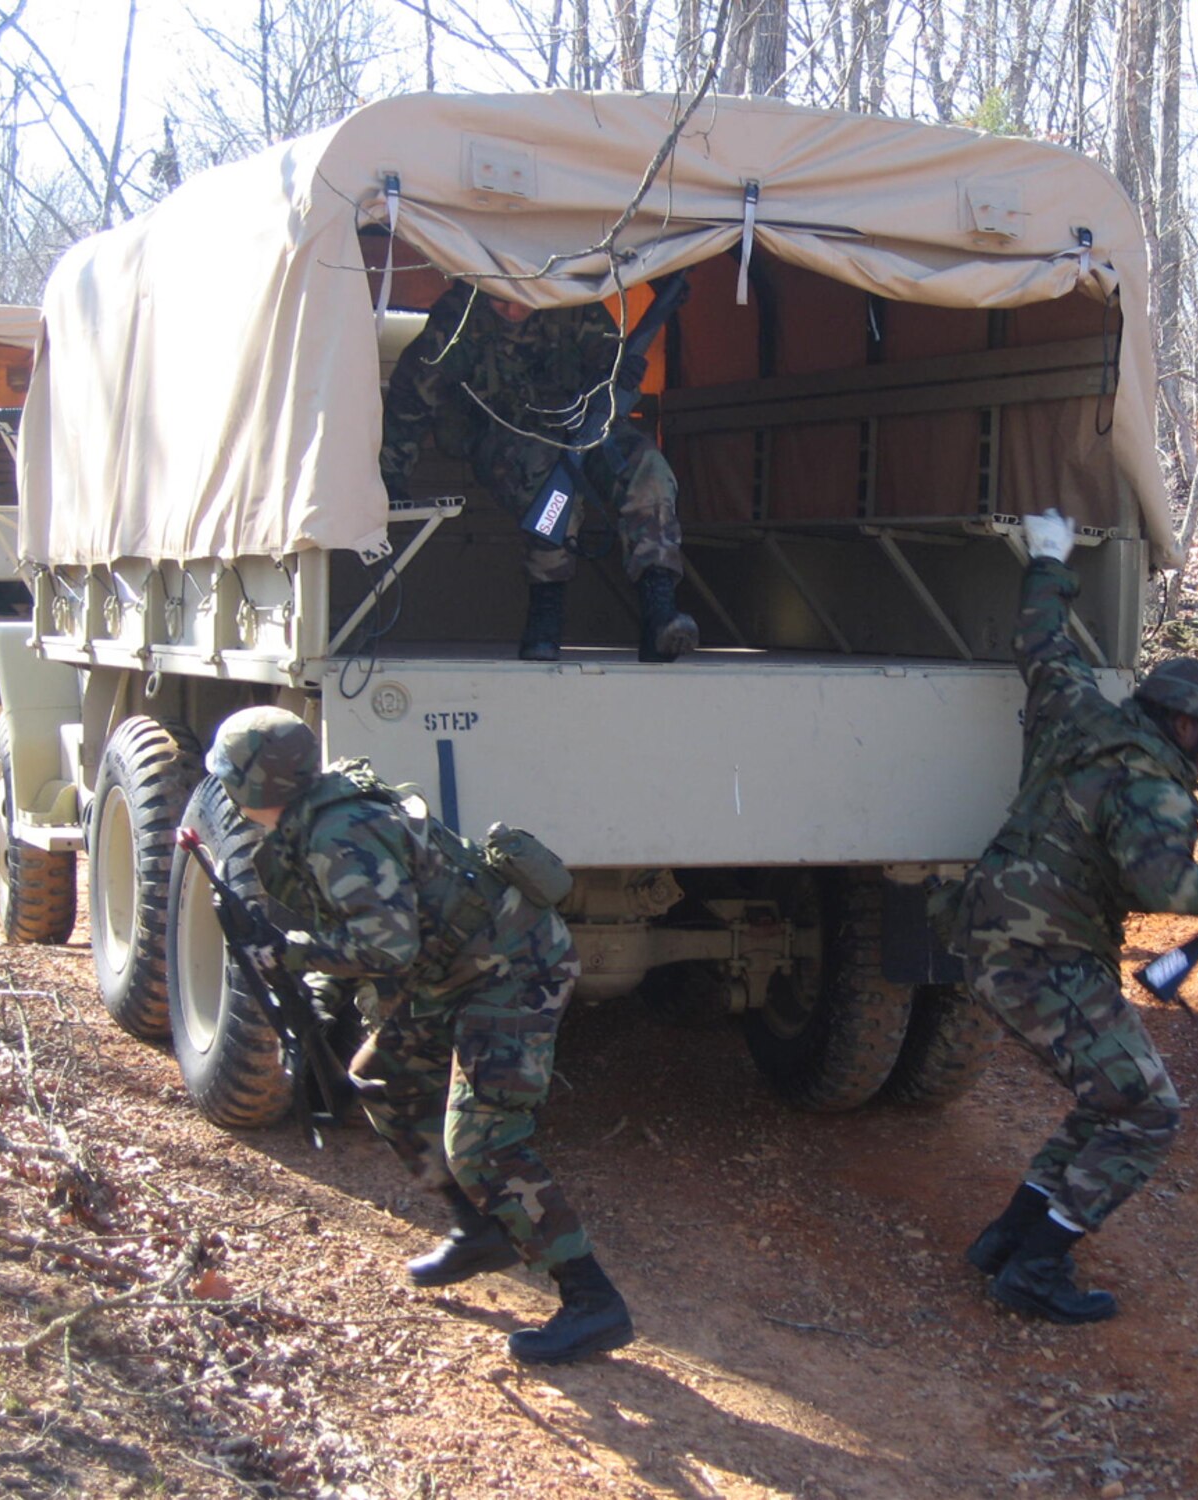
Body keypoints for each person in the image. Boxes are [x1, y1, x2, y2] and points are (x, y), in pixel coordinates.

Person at [950, 510, 1198, 1324]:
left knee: (1108, 1095)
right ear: (1186, 724)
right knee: (1148, 1112)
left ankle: (1008, 1240)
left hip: (990, 933)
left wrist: (1048, 559)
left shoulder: (1080, 711)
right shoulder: (1155, 785)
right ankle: (1036, 1271)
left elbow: (1044, 644)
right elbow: (1163, 885)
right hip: (1044, 957)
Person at [204, 706, 633, 1365]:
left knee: (483, 1141)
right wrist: (316, 1000)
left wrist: (286, 952)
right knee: (383, 1073)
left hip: (515, 968)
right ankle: (479, 1228)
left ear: (258, 786)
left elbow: (387, 948)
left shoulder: (336, 832)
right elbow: (349, 926)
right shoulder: (311, 822)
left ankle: (591, 1301)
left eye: (232, 779)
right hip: (455, 969)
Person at [379, 284, 698, 664]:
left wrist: (619, 372)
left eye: (523, 300)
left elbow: (609, 368)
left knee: (648, 468)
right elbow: (411, 396)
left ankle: (659, 607)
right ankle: (544, 618)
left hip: (584, 422)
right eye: (500, 300)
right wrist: (391, 477)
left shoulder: (573, 303)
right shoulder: (458, 321)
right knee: (547, 486)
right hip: (504, 434)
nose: (512, 310)